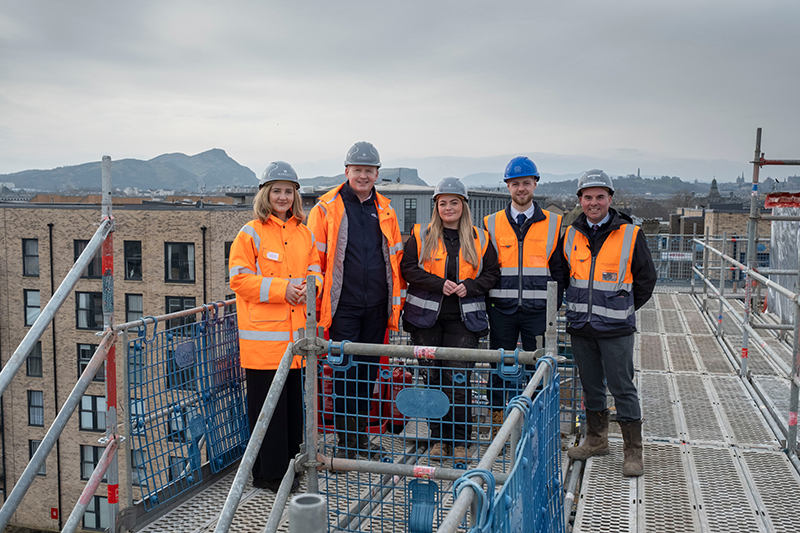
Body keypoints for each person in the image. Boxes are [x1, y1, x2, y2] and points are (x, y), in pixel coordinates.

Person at [307, 141, 405, 459]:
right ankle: (347, 442)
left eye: (369, 170)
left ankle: (359, 439)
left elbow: (394, 258)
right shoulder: (325, 208)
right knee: (345, 374)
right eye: (357, 170)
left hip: (376, 306)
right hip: (343, 308)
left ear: (377, 174)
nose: (363, 176)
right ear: (347, 171)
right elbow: (314, 260)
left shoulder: (385, 210)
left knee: (368, 373)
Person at [229, 161, 323, 491]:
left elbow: (316, 272)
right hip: (263, 345)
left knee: (291, 415)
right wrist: (285, 289)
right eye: (276, 191)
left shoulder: (304, 233)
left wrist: (309, 287)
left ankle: (289, 472)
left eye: (288, 191)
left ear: (295, 196)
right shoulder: (249, 233)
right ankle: (268, 477)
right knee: (267, 415)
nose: (282, 197)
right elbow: (239, 279)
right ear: (265, 195)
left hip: (296, 341)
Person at [561, 169, 656, 477]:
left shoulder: (630, 233)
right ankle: (597, 439)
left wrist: (622, 306)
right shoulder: (571, 233)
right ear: (580, 200)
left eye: (600, 196)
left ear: (610, 199)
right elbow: (561, 276)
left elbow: (646, 278)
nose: (593, 202)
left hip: (615, 329)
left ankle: (633, 451)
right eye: (587, 197)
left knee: (622, 387)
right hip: (581, 328)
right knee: (590, 387)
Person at [401, 177, 499, 463]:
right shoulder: (421, 234)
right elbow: (407, 268)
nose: (448, 207)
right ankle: (438, 439)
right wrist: (436, 283)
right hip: (425, 319)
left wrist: (471, 286)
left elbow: (492, 273)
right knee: (432, 380)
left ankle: (459, 441)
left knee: (457, 381)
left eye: (454, 202)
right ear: (436, 206)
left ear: (463, 205)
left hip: (464, 320)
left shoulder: (480, 238)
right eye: (442, 203)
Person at [483, 156, 564, 438]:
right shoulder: (490, 223)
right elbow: (486, 267)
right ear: (507, 187)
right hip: (501, 309)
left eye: (526, 183)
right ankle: (497, 422)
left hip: (538, 311)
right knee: (499, 367)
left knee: (537, 369)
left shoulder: (554, 224)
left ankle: (535, 421)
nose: (521, 189)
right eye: (515, 184)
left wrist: (553, 307)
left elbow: (559, 271)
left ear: (535, 184)